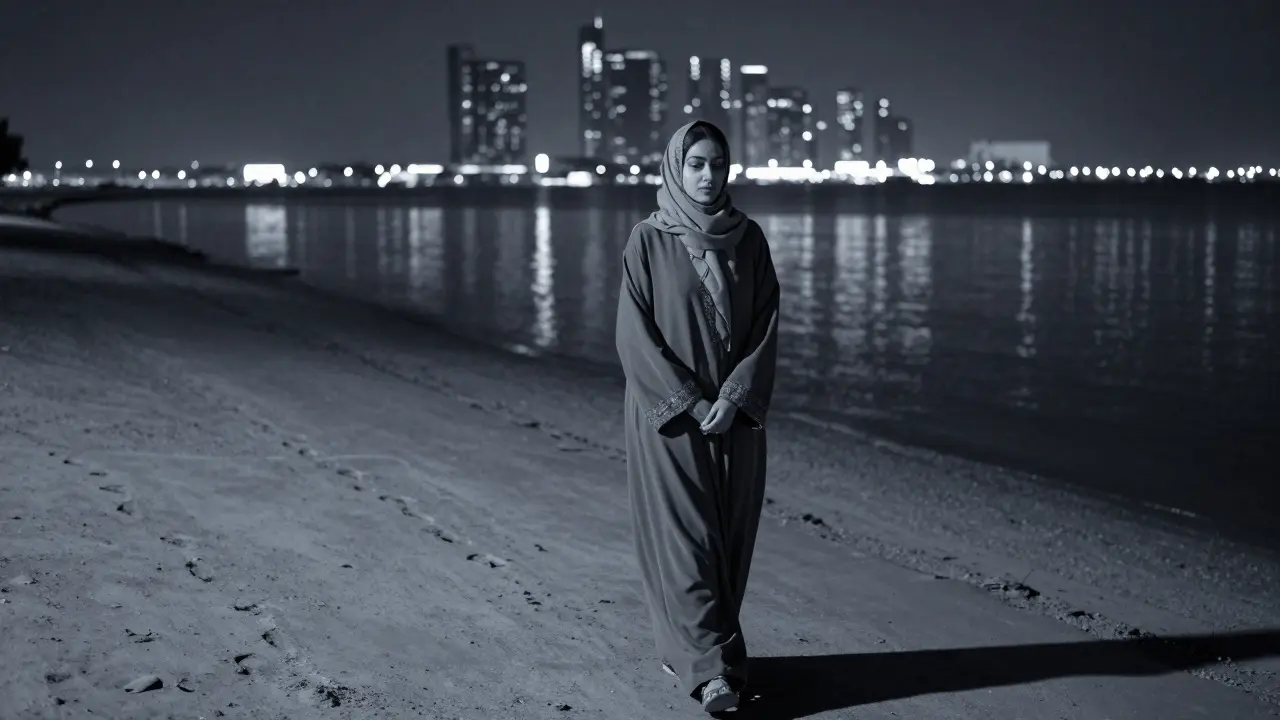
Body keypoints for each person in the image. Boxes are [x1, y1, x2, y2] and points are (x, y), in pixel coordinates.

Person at [614, 120, 781, 713]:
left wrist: (735, 396)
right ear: (675, 168)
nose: (708, 176)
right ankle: (712, 673)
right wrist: (690, 400)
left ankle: (703, 648)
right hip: (673, 419)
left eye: (717, 164)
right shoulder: (648, 240)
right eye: (696, 165)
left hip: (734, 417)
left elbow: (766, 324)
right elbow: (635, 334)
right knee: (689, 541)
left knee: (730, 538)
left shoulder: (750, 240)